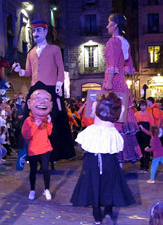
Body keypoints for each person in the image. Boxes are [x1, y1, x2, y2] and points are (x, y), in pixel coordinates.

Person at [12, 19, 74, 162]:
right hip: (35, 88)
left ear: (45, 32)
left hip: (51, 87)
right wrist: (18, 70)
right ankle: (31, 153)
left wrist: (59, 84)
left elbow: (60, 67)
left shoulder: (55, 49)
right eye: (33, 31)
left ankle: (56, 154)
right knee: (29, 120)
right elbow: (28, 73)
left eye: (38, 30)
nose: (35, 33)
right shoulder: (30, 53)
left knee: (56, 119)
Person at [70, 92, 136, 225]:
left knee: (97, 182)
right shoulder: (118, 107)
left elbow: (83, 143)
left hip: (96, 151)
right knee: (108, 182)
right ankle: (106, 212)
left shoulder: (97, 104)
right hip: (105, 148)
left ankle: (99, 215)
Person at [102, 13, 140, 163]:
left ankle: (114, 157)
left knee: (111, 121)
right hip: (122, 84)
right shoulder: (125, 42)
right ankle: (121, 158)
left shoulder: (113, 42)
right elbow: (129, 67)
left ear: (115, 26)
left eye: (108, 23)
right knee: (122, 121)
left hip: (114, 83)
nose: (107, 26)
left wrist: (108, 82)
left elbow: (111, 64)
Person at [22, 89, 53, 200]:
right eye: (38, 99)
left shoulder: (46, 119)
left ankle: (47, 189)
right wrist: (36, 124)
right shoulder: (28, 120)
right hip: (33, 150)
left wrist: (49, 123)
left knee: (45, 169)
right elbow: (26, 135)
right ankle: (32, 190)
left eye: (46, 99)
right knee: (33, 170)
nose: (42, 102)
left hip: (45, 148)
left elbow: (49, 133)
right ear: (29, 104)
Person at [134, 100, 153, 173]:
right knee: (140, 150)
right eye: (141, 105)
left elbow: (152, 125)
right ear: (139, 106)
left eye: (144, 105)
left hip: (147, 134)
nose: (142, 107)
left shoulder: (149, 115)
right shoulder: (136, 114)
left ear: (146, 106)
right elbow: (134, 125)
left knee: (147, 150)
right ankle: (142, 165)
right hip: (138, 134)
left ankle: (146, 167)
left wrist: (151, 134)